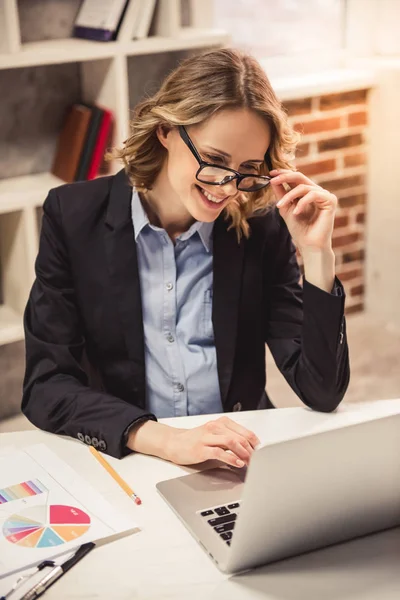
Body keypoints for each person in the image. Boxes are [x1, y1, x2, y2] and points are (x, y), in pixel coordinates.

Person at [22, 48, 350, 467]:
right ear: (166, 130)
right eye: (214, 161)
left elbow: (322, 391)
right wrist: (165, 440)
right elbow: (46, 385)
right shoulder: (72, 216)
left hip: (241, 455)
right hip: (135, 453)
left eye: (248, 168)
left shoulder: (263, 226)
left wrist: (317, 256)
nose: (227, 188)